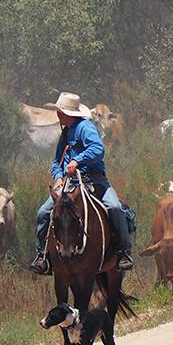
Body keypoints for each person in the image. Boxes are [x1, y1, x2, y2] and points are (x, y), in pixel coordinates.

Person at [29, 93, 134, 275]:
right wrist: (58, 177)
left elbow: (97, 149)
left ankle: (124, 252)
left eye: (60, 111)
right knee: (43, 212)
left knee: (115, 208)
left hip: (94, 180)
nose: (58, 115)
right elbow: (57, 162)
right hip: (69, 183)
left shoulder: (86, 127)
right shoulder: (66, 132)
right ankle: (42, 255)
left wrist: (77, 161)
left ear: (69, 113)